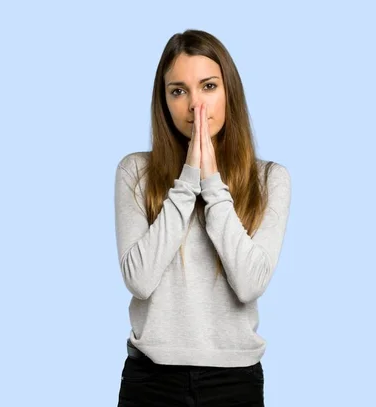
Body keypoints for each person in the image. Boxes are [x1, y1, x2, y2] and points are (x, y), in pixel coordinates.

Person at [114, 29, 291, 406]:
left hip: (234, 382)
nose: (195, 105)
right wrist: (186, 181)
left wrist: (212, 185)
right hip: (151, 380)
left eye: (208, 86)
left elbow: (249, 285)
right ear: (163, 101)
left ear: (229, 92)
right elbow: (139, 281)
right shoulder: (135, 172)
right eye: (178, 91)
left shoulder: (270, 179)